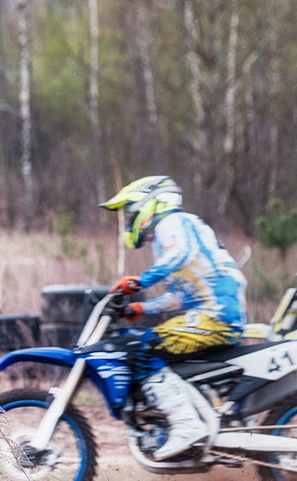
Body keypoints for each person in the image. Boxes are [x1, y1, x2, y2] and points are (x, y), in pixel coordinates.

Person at [101, 175, 248, 461]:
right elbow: (179, 296)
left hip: (214, 316)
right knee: (154, 348)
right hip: (210, 313)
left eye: (130, 210)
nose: (129, 219)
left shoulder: (173, 222)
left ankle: (186, 426)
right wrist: (141, 309)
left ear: (151, 203)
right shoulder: (175, 233)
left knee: (144, 348)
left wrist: (140, 282)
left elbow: (180, 254)